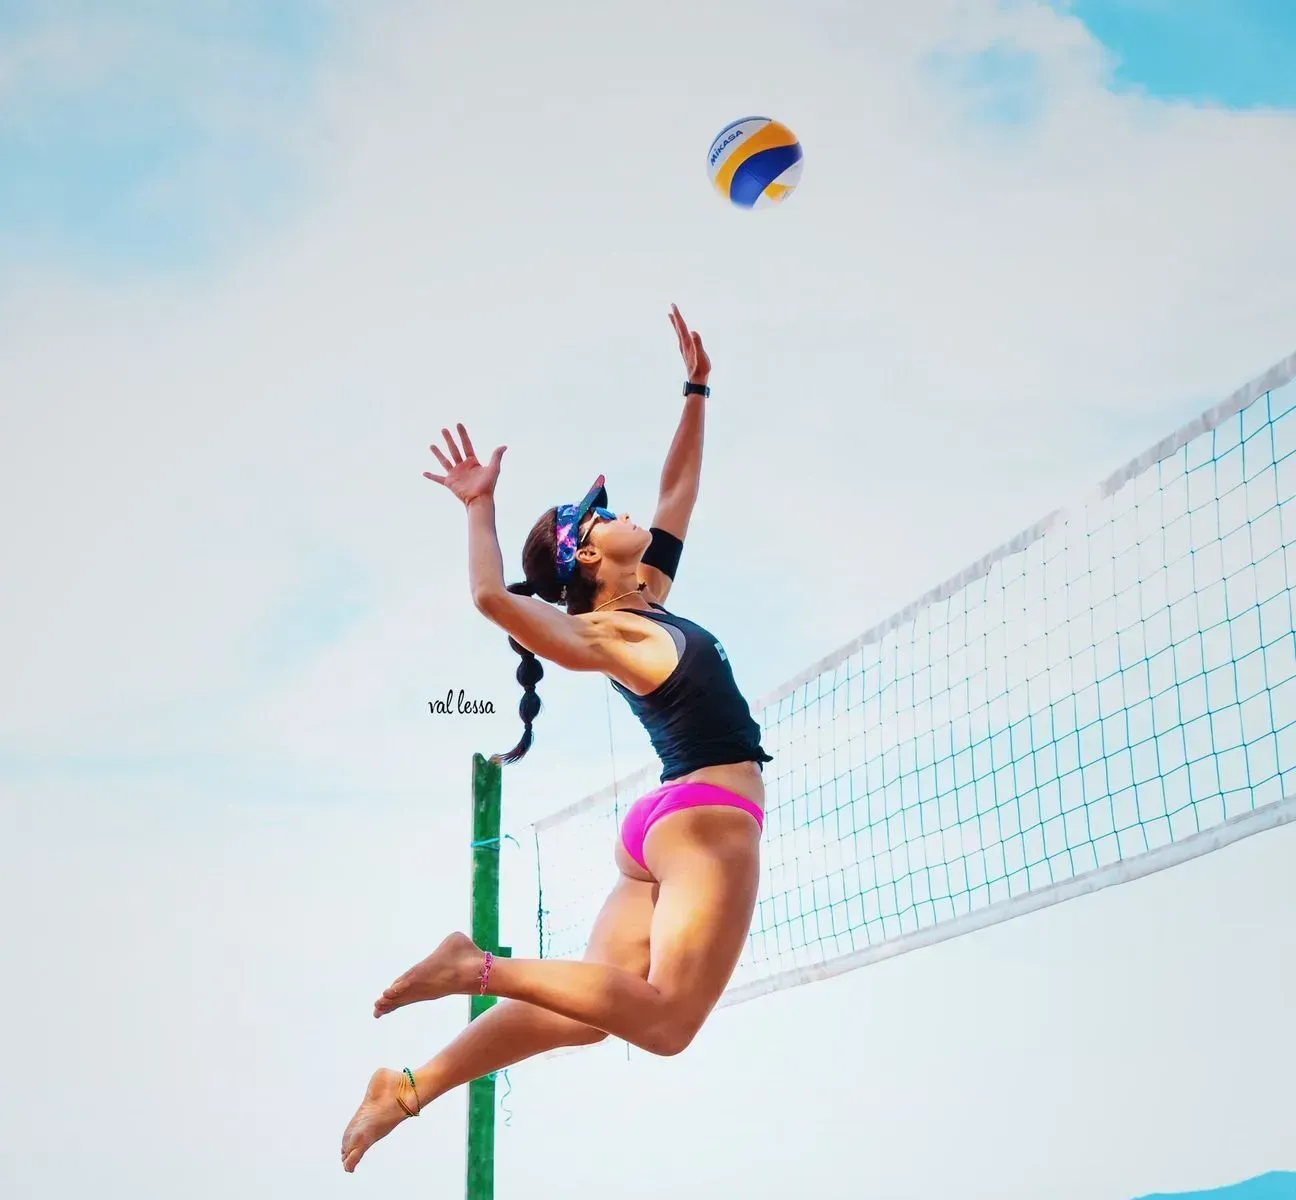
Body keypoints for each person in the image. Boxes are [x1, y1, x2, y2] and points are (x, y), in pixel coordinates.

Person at [341, 305, 773, 1173]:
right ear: (585, 557)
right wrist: (478, 509)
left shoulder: (643, 593)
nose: (620, 512)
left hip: (663, 825)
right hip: (709, 818)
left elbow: (680, 488)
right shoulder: (605, 633)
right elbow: (493, 601)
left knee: (586, 1011)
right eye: (599, 515)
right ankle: (476, 967)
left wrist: (696, 390)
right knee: (666, 1024)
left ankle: (409, 1086)